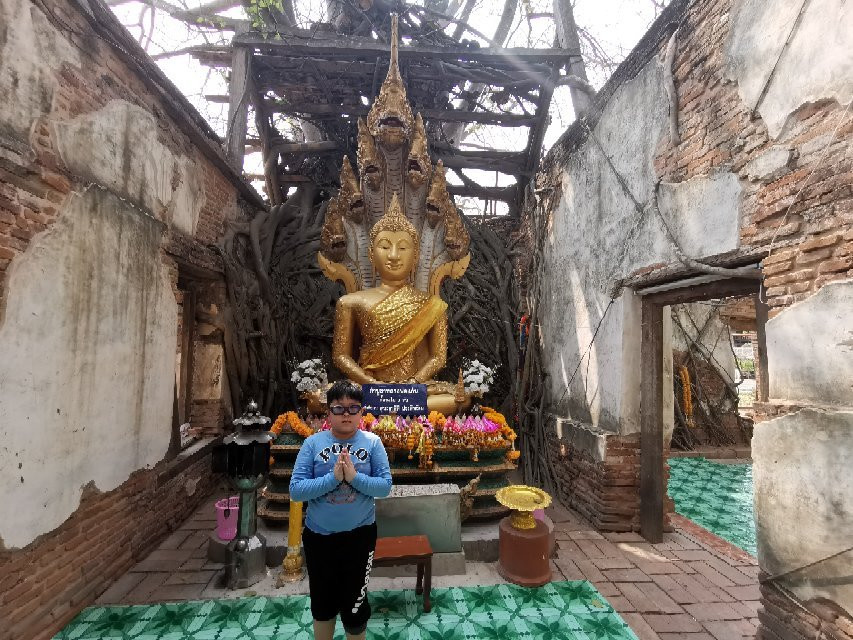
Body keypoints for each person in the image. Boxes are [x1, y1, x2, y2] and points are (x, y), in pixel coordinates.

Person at [290, 380, 392, 640]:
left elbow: (384, 487)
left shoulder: (372, 443)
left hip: (360, 537)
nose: (346, 414)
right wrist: (333, 480)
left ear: (362, 412)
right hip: (319, 538)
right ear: (328, 412)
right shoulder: (312, 444)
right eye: (338, 408)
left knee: (355, 604)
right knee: (322, 603)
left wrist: (354, 477)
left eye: (353, 408)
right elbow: (296, 490)